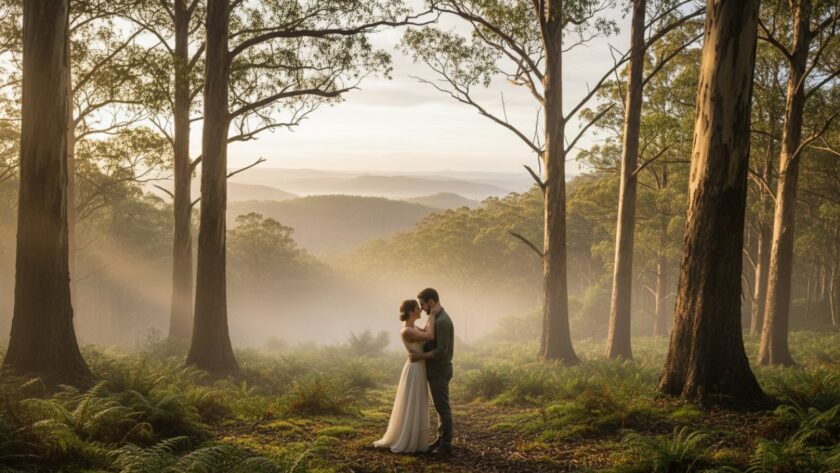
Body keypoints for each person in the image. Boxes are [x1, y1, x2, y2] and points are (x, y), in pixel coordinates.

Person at [373, 299, 441, 453]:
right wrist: (433, 315)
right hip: (415, 368)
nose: (420, 310)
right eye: (418, 308)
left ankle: (415, 439)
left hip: (418, 365)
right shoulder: (407, 330)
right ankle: (409, 440)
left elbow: (424, 331)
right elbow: (429, 336)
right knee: (413, 401)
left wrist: (430, 318)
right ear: (411, 311)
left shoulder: (412, 327)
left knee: (417, 400)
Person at [409, 288, 454, 457]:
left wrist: (420, 355)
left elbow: (441, 351)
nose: (421, 308)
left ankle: (446, 445)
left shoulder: (442, 321)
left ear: (432, 302)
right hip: (435, 370)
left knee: (443, 408)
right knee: (439, 408)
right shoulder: (435, 317)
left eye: (423, 304)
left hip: (440, 370)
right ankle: (441, 439)